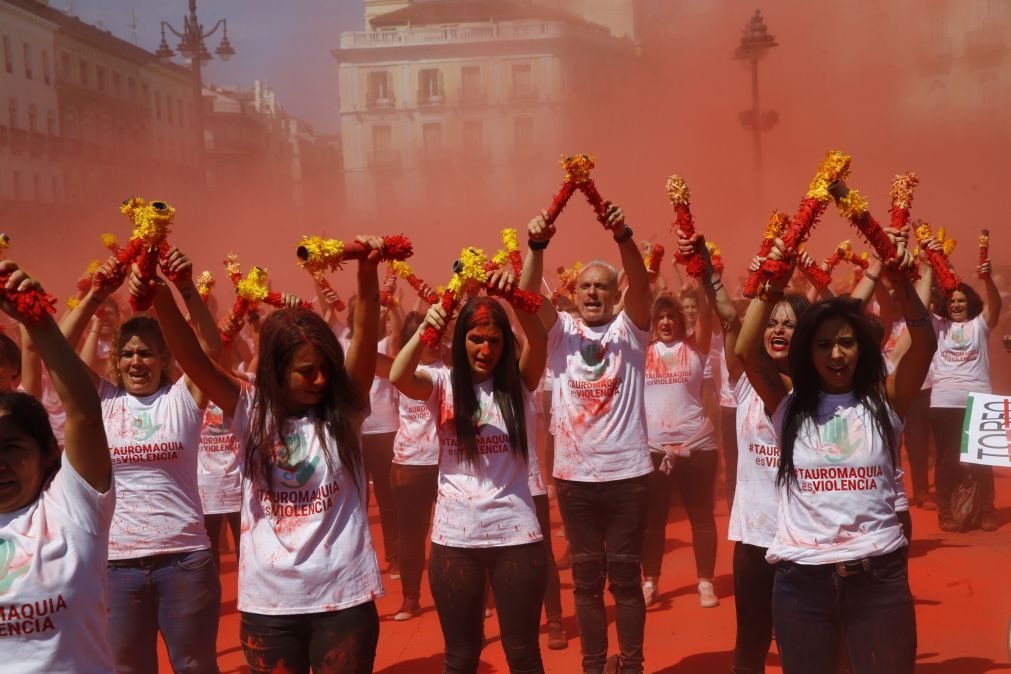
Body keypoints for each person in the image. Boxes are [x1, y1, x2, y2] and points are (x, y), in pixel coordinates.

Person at [141, 235, 387, 674]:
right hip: (269, 607)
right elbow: (195, 360)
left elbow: (366, 334)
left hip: (343, 600)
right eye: (306, 371)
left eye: (325, 369)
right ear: (276, 370)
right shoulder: (250, 409)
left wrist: (367, 272)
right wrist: (161, 297)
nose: (319, 380)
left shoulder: (343, 411)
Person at [736, 233, 934, 674]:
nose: (836, 354)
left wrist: (903, 286)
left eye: (846, 342)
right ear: (809, 353)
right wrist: (771, 283)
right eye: (823, 345)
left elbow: (924, 347)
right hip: (802, 585)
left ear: (862, 349)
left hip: (878, 581)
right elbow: (746, 350)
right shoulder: (787, 403)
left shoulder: (887, 401)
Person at [59, 250, 223, 673]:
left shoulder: (183, 399)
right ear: (116, 360)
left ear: (165, 360)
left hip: (185, 560)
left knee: (194, 665)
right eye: (128, 353)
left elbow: (209, 346)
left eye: (147, 353)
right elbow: (56, 353)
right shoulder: (103, 401)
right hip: (118, 566)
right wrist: (96, 296)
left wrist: (184, 288)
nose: (137, 362)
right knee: (127, 668)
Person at [390, 270, 549, 674]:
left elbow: (541, 339)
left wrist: (511, 295)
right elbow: (398, 375)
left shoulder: (520, 383)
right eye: (475, 339)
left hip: (516, 535)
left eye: (494, 340)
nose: (485, 349)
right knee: (460, 658)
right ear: (460, 341)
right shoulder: (441, 384)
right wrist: (429, 326)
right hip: (454, 540)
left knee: (524, 655)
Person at [520, 203, 653, 674]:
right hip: (575, 480)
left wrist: (622, 233)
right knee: (585, 582)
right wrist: (535, 246)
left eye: (602, 286)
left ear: (616, 294)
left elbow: (642, 279)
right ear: (572, 294)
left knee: (625, 580)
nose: (593, 292)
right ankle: (594, 665)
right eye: (585, 286)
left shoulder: (631, 331)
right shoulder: (561, 335)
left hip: (627, 476)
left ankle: (632, 664)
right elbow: (525, 295)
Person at [0, 261, 116, 672]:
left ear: (50, 451)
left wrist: (36, 316)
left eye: (12, 447)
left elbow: (84, 412)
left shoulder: (73, 507)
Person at [641, 277, 720, 609]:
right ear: (653, 324)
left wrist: (703, 279)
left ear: (681, 320)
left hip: (696, 447)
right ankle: (650, 582)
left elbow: (706, 312)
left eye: (671, 316)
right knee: (652, 521)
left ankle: (705, 583)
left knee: (701, 517)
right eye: (660, 318)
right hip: (654, 450)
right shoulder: (642, 352)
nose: (666, 322)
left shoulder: (695, 347)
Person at [928, 253, 1002, 531]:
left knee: (982, 460)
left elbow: (995, 305)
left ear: (970, 303)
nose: (957, 304)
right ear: (945, 305)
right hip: (944, 401)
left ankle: (987, 511)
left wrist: (987, 280)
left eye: (961, 300)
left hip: (980, 398)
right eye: (952, 300)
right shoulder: (937, 326)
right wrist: (929, 266)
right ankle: (946, 511)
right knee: (948, 461)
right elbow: (920, 307)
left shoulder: (979, 326)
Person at [387, 311, 445, 621]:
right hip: (409, 463)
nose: (433, 341)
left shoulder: (452, 367)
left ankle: (478, 595)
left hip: (447, 463)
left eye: (438, 333)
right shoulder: (400, 370)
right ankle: (411, 598)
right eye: (427, 335)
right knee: (411, 535)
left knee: (456, 534)